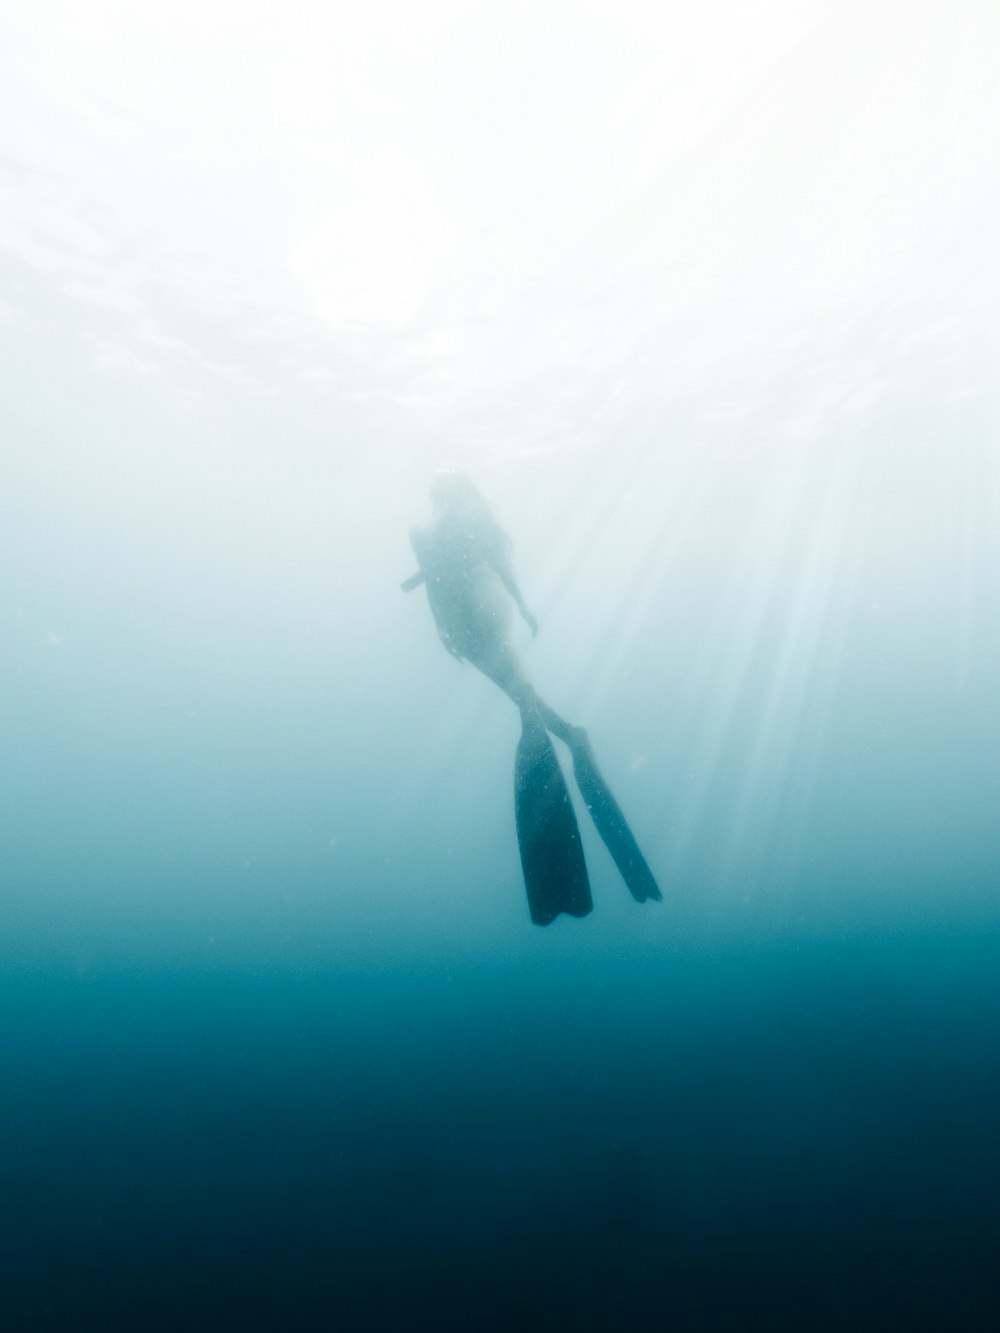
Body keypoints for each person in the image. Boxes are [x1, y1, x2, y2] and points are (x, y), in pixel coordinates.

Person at [402, 468, 661, 922]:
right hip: (475, 609)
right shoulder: (444, 524)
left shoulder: (444, 524)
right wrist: (475, 619)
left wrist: (478, 619)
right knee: (524, 702)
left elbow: (469, 578)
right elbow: (465, 577)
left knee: (523, 704)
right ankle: (570, 735)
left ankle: (568, 737)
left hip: (476, 609)